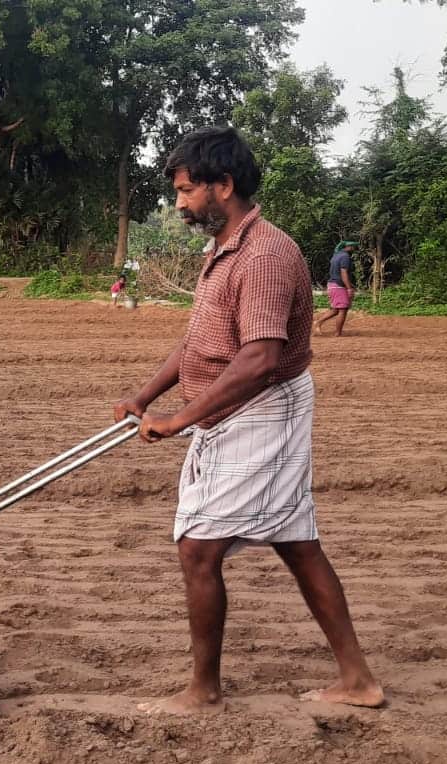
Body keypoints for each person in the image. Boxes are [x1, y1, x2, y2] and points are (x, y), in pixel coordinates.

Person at [112, 126, 383, 715]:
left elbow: (259, 359)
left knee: (198, 548)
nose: (179, 204)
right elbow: (199, 344)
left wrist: (180, 418)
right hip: (241, 408)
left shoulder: (262, 256)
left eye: (186, 191)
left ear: (223, 185)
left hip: (262, 409)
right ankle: (358, 680)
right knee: (296, 541)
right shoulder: (225, 247)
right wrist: (144, 397)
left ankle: (203, 690)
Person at [316, 241, 357, 336]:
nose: (354, 249)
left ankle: (318, 322)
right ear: (348, 247)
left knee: (335, 310)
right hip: (339, 286)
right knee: (343, 309)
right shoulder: (345, 257)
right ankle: (337, 333)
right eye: (353, 247)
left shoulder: (336, 256)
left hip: (332, 285)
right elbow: (343, 273)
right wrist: (349, 288)